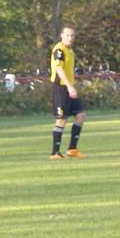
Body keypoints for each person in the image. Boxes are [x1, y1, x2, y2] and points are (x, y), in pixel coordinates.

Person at [49, 24, 88, 160]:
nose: (70, 38)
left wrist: (72, 85)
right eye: (67, 35)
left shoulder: (70, 51)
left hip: (69, 87)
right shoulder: (59, 50)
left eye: (72, 35)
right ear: (61, 35)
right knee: (61, 120)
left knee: (81, 115)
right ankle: (55, 153)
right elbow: (59, 70)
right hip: (60, 87)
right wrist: (69, 86)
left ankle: (72, 149)